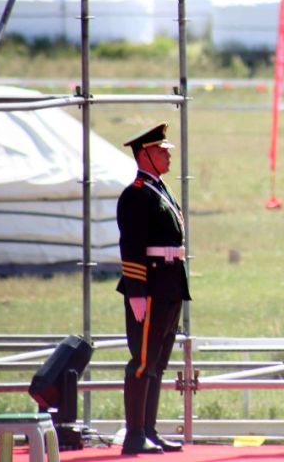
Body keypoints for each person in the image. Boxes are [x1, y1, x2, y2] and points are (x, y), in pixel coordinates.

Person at [116, 123, 189, 455]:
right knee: (142, 361)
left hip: (169, 283)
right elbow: (131, 246)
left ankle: (149, 430)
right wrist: (136, 291)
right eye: (161, 150)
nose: (168, 154)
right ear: (144, 154)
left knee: (157, 361)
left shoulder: (158, 189)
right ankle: (134, 434)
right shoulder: (136, 193)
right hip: (150, 285)